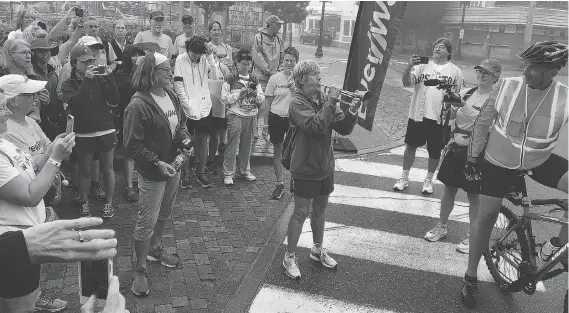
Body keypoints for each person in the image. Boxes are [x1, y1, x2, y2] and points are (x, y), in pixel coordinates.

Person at [460, 41, 568, 308]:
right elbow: (483, 122)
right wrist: (473, 158)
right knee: (486, 216)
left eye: (535, 67)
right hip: (498, 161)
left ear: (553, 71)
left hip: (538, 161)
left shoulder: (564, 97)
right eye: (526, 65)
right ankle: (470, 276)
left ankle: (559, 244)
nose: (527, 71)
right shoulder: (508, 86)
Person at [0, 75, 76, 313]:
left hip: (25, 236)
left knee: (27, 295)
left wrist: (54, 149)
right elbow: (29, 195)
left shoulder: (7, 142)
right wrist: (56, 157)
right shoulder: (6, 139)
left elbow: (33, 164)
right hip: (13, 243)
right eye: (1, 108)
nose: (5, 114)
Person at [282, 60, 361, 280]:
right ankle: (290, 255)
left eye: (318, 73)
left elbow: (342, 128)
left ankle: (317, 249)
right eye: (314, 74)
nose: (319, 78)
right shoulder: (297, 102)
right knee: (300, 212)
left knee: (320, 209)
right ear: (302, 79)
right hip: (305, 166)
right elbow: (316, 126)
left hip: (325, 164)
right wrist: (332, 101)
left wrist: (352, 111)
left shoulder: (325, 99)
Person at [124, 52, 191, 297]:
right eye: (165, 69)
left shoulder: (170, 94)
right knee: (147, 220)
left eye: (170, 68)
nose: (170, 72)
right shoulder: (138, 104)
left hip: (173, 165)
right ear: (151, 72)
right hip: (153, 171)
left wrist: (185, 140)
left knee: (164, 213)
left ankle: (156, 248)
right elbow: (131, 145)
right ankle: (140, 269)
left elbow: (181, 123)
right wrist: (157, 162)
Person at [424, 59, 502, 253]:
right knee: (449, 190)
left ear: (496, 77)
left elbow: (484, 122)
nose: (481, 75)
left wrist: (462, 105)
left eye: (487, 72)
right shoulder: (468, 92)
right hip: (455, 147)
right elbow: (453, 116)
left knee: (473, 195)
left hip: (476, 152)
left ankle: (473, 234)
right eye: (479, 71)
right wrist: (449, 108)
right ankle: (441, 226)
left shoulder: (496, 99)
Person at [395, 37, 464, 195]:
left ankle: (428, 180)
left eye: (442, 47)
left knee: (434, 151)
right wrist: (409, 66)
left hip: (439, 119)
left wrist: (452, 112)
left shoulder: (455, 72)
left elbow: (459, 96)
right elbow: (407, 83)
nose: (437, 49)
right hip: (418, 116)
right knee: (410, 146)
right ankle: (404, 178)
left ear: (449, 52)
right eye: (436, 46)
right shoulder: (422, 67)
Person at [61, 45, 120, 219]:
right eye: (85, 61)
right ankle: (85, 203)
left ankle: (109, 203)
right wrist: (86, 80)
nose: (89, 64)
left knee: (108, 169)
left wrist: (110, 77)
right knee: (84, 171)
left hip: (105, 129)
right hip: (84, 132)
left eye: (91, 61)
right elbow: (77, 103)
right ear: (74, 63)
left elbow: (115, 99)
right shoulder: (68, 84)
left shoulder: (100, 79)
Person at [174, 36, 222, 189]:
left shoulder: (204, 58)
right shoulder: (180, 60)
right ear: (188, 49)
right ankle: (185, 174)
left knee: (203, 141)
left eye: (199, 54)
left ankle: (201, 173)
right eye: (193, 53)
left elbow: (216, 75)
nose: (195, 56)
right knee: (187, 142)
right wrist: (186, 104)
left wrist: (209, 56)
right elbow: (178, 85)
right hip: (187, 108)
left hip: (204, 107)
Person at [221, 49, 265, 186]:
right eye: (243, 64)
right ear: (237, 63)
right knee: (232, 145)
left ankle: (244, 170)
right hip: (235, 115)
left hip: (251, 115)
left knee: (247, 145)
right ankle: (228, 173)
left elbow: (262, 97)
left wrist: (254, 95)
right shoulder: (230, 78)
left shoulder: (254, 79)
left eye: (248, 64)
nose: (246, 67)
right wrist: (239, 94)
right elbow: (223, 98)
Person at [261, 46, 298, 199]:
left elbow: (304, 101)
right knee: (277, 150)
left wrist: (294, 88)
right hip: (276, 118)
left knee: (295, 152)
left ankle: (295, 181)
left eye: (292, 61)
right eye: (286, 61)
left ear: (297, 62)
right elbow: (268, 103)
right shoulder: (274, 79)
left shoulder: (300, 79)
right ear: (282, 62)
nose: (288, 64)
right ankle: (280, 183)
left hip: (292, 120)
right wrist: (265, 124)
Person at [207, 21, 232, 174]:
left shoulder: (227, 47)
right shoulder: (207, 47)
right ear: (210, 32)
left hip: (224, 85)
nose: (216, 32)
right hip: (211, 88)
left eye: (218, 29)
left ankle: (222, 144)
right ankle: (212, 154)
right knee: (213, 123)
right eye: (214, 29)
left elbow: (230, 66)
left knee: (224, 120)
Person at [252, 15, 284, 91]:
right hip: (261, 78)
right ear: (271, 24)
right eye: (278, 24)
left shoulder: (279, 39)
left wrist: (278, 72)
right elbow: (257, 56)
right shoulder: (259, 37)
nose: (280, 27)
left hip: (276, 79)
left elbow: (283, 57)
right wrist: (269, 72)